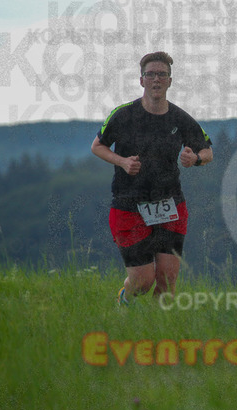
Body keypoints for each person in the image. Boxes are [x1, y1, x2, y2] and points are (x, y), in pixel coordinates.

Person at [90, 51, 213, 306]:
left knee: (167, 281)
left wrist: (195, 159)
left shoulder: (180, 118)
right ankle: (124, 300)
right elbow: (97, 146)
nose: (156, 79)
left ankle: (160, 326)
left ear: (170, 81)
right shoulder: (123, 115)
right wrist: (123, 162)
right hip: (129, 205)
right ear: (141, 80)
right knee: (143, 282)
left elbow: (207, 152)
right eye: (151, 74)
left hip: (170, 205)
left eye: (162, 74)